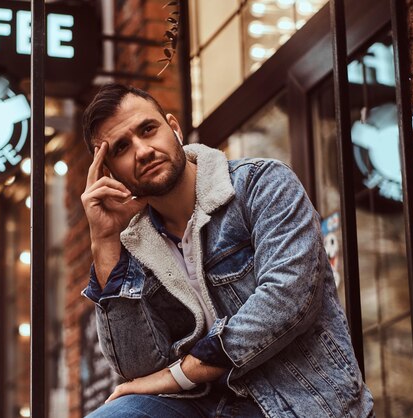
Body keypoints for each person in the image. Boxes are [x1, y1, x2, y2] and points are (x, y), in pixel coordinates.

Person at [80, 83, 374, 417]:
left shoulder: (261, 184)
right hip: (206, 405)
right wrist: (104, 242)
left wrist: (182, 373)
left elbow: (288, 298)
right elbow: (137, 369)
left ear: (174, 128)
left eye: (148, 130)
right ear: (109, 173)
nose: (143, 150)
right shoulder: (133, 243)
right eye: (121, 148)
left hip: (298, 400)